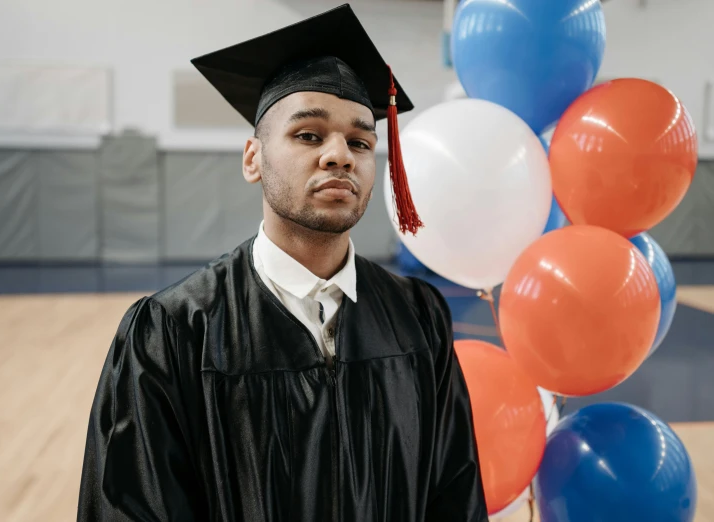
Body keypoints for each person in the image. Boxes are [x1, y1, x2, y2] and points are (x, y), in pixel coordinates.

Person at [77, 4, 487, 521]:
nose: (340, 154)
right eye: (309, 135)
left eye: (360, 141)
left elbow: (453, 495)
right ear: (253, 158)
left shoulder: (419, 317)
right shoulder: (174, 333)